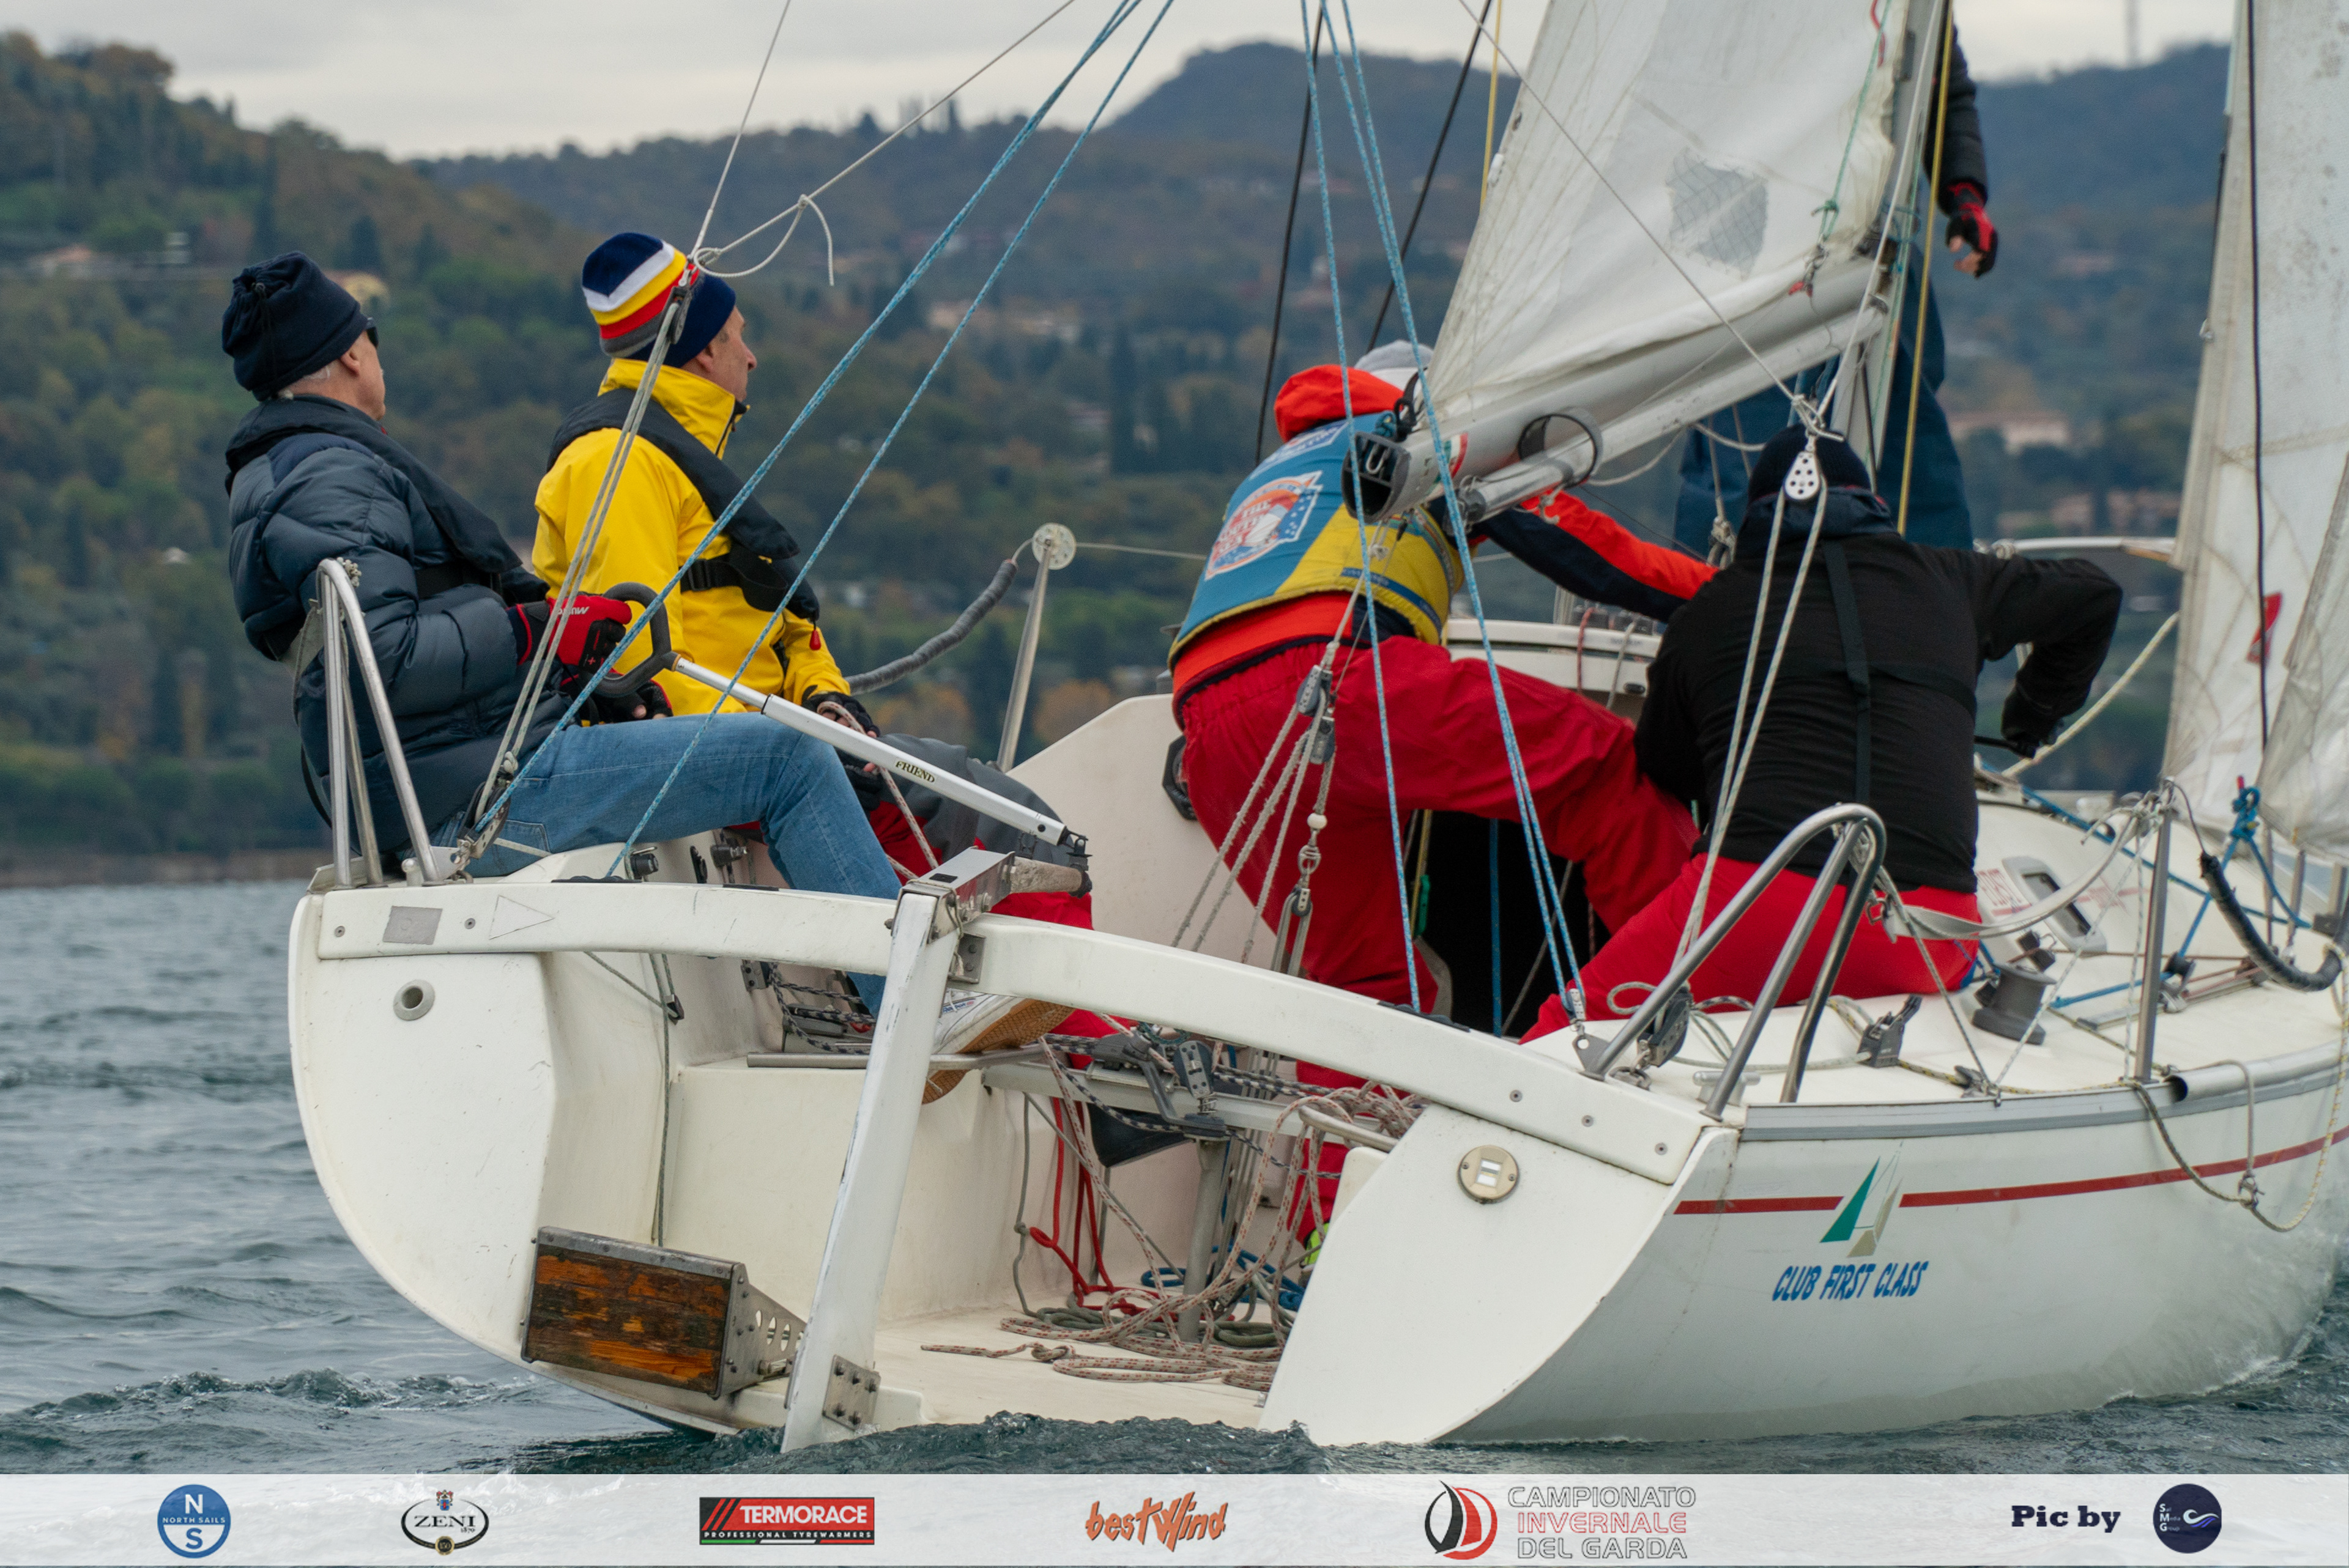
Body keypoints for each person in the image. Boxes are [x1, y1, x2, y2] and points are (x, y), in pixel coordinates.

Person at [220, 253, 899, 1010]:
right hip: (476, 796)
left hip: (440, 775)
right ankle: (911, 1011)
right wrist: (537, 629)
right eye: (370, 335)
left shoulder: (285, 473)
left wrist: (574, 667)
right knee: (789, 756)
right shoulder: (331, 476)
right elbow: (387, 658)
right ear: (351, 351)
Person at [1174, 350, 1715, 1038]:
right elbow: (1595, 555)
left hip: (1209, 733)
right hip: (1341, 678)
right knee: (1602, 767)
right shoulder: (1434, 435)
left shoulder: (1287, 463)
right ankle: (1697, 1003)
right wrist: (1737, 598)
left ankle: (1340, 1146)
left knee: (1361, 983)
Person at [1527, 427, 2119, 1038]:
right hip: (1925, 931)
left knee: (1560, 1034)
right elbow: (2095, 595)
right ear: (1872, 506)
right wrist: (2031, 716)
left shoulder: (1711, 611)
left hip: (1756, 908)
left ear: (1758, 520)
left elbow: (1663, 770)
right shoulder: (1954, 578)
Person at [1671, 26, 1997, 556]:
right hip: (1753, 245)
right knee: (1740, 450)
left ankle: (1927, 606)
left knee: (1910, 449)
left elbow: (1940, 84)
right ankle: (1717, 603)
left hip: (1879, 242)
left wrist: (1965, 195)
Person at [535, 232, 864, 727]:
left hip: (768, 737)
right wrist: (788, 741)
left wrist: (826, 699)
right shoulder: (622, 463)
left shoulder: (678, 454)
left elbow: (786, 624)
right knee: (974, 801)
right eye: (738, 335)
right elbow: (646, 667)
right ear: (707, 350)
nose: (751, 356)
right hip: (729, 756)